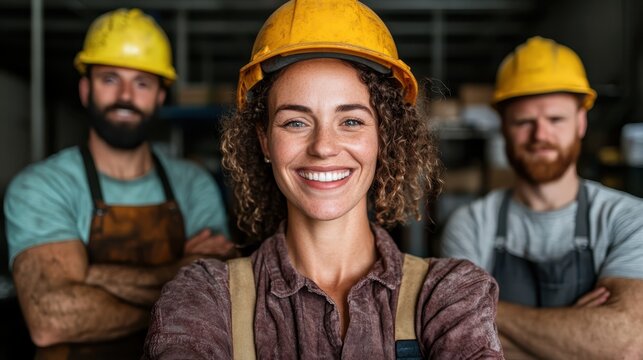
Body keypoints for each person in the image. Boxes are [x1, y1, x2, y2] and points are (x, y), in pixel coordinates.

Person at [144, 1, 504, 359]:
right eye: (295, 122)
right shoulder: (206, 296)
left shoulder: (447, 294)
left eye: (350, 121)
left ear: (384, 137)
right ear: (264, 140)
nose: (323, 147)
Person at [4, 8, 237, 359]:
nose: (126, 95)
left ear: (160, 96)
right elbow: (50, 318)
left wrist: (88, 277)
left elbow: (216, 300)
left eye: (142, 82)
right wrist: (176, 276)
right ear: (85, 89)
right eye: (110, 79)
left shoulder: (194, 185)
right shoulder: (41, 186)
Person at [441, 36, 643, 359]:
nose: (540, 136)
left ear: (581, 122)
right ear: (504, 127)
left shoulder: (630, 220)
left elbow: (626, 344)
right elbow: (455, 341)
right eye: (524, 122)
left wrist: (489, 311)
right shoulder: (471, 224)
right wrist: (584, 335)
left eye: (556, 119)